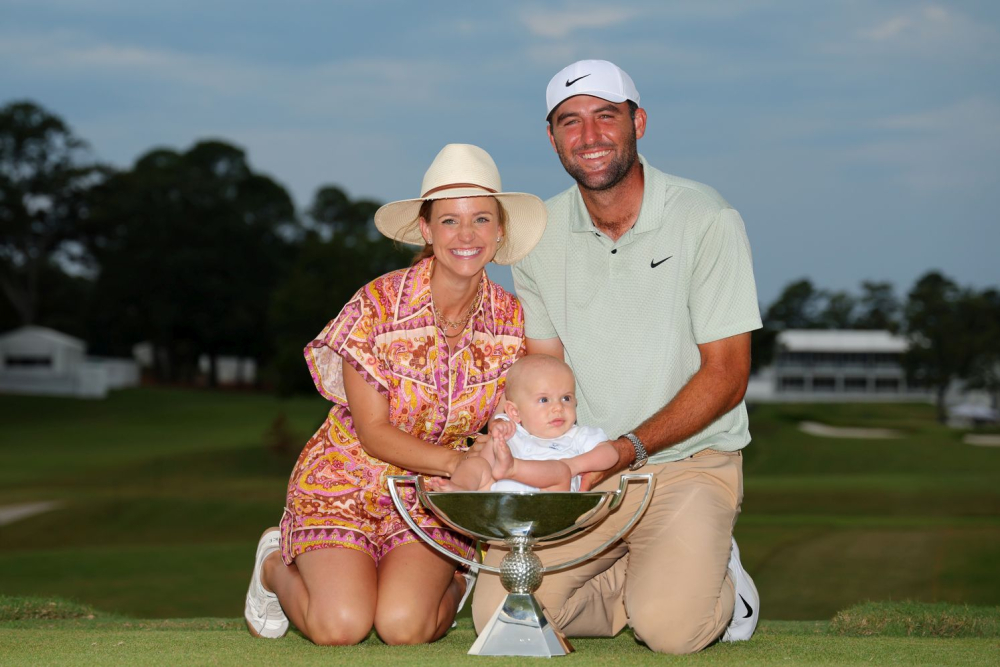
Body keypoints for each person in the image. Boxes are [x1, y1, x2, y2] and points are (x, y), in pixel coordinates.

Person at [471, 60, 763, 654]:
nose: (590, 136)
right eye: (570, 122)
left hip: (687, 464)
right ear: (552, 139)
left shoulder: (706, 218)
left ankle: (721, 580)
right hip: (581, 471)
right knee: (503, 618)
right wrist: (506, 430)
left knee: (672, 633)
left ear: (640, 122)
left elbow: (728, 376)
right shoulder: (537, 237)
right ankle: (653, 575)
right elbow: (543, 375)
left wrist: (624, 450)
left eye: (607, 116)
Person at [244, 143, 547, 646]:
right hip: (344, 486)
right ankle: (275, 565)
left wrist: (489, 454)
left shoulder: (515, 323)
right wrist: (457, 462)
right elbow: (374, 432)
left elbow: (512, 418)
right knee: (340, 625)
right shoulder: (377, 305)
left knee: (404, 627)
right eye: (449, 221)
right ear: (427, 230)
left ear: (500, 230)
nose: (466, 235)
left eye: (481, 219)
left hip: (434, 501)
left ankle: (455, 575)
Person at [432, 353, 619, 492]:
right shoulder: (514, 431)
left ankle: (513, 468)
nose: (558, 408)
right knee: (477, 462)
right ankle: (460, 490)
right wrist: (498, 429)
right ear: (514, 412)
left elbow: (610, 454)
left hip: (547, 503)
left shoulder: (576, 435)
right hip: (498, 500)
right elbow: (497, 425)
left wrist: (574, 466)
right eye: (544, 400)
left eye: (566, 398)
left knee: (560, 471)